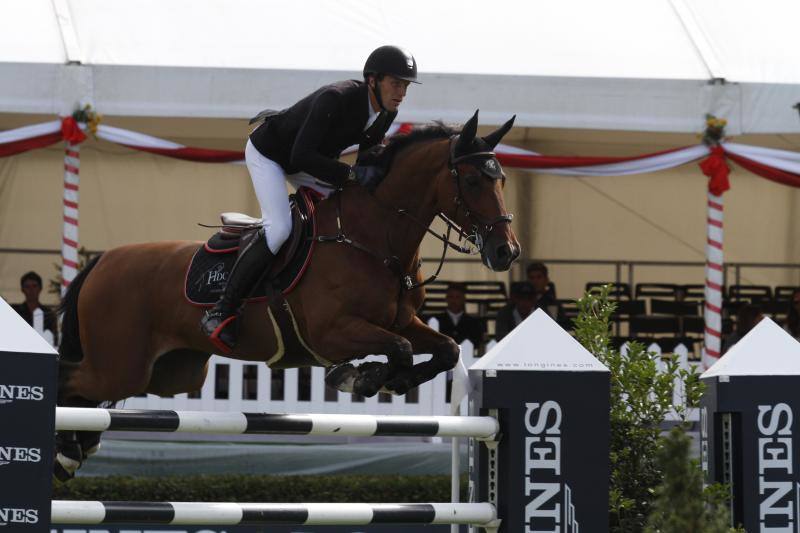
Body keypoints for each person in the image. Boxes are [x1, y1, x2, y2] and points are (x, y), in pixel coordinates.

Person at [201, 45, 419, 352]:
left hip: (311, 161)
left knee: (351, 206)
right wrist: (352, 176)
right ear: (373, 80)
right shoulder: (337, 98)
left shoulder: (386, 113)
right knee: (279, 229)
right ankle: (222, 310)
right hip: (271, 156)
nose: (402, 92)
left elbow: (367, 155)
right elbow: (299, 154)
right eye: (396, 83)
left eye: (405, 86)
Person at [12, 271, 58, 346]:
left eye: (34, 286)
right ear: (22, 289)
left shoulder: (49, 314)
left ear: (40, 288)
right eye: (27, 287)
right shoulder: (15, 312)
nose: (31, 290)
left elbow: (54, 339)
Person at [433, 283, 485, 348]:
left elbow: (477, 343)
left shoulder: (474, 323)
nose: (454, 301)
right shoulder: (436, 320)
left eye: (458, 297)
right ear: (446, 299)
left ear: (464, 299)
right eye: (451, 297)